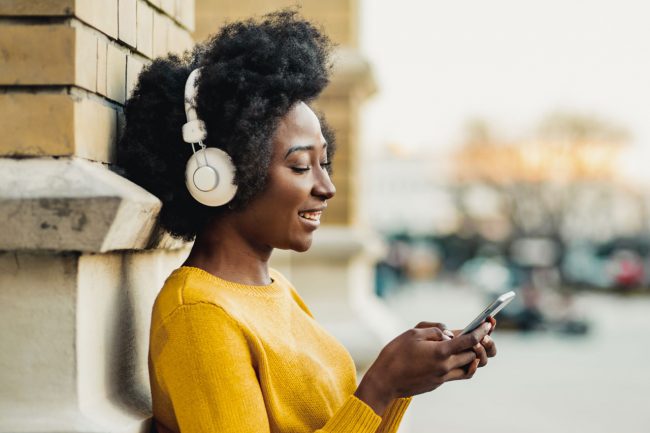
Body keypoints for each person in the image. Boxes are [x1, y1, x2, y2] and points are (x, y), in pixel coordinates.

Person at [117, 10, 497, 433]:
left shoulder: (276, 289)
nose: (327, 187)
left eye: (325, 163)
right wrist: (382, 384)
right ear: (219, 175)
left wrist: (404, 382)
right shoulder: (199, 315)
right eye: (300, 166)